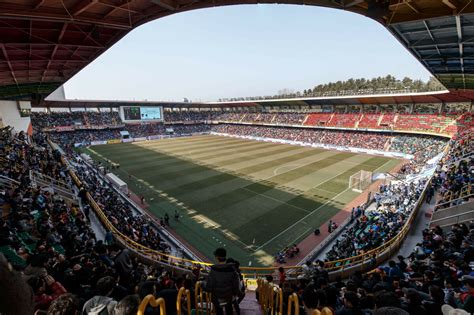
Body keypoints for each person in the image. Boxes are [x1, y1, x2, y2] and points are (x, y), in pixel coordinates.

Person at [205, 248, 240, 315]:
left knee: (219, 312)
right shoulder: (232, 270)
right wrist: (235, 294)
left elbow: (209, 288)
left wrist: (203, 285)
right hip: (228, 297)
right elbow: (236, 286)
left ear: (217, 257)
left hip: (217, 298)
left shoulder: (213, 271)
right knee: (229, 310)